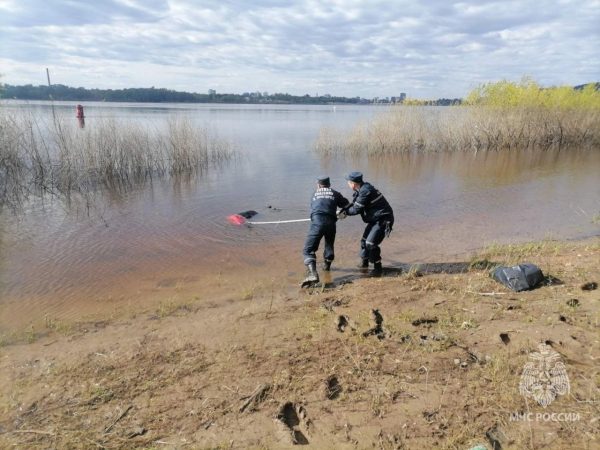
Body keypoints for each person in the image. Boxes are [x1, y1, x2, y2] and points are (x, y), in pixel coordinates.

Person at [340, 171, 394, 276]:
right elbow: (355, 204)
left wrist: (345, 213)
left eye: (348, 182)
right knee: (364, 241)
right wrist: (343, 210)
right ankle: (364, 264)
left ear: (353, 183)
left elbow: (356, 209)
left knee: (370, 243)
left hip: (383, 219)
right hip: (375, 219)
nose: (347, 184)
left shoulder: (365, 191)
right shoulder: (362, 189)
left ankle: (378, 269)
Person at [301, 176, 350, 287]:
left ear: (318, 185)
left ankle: (312, 273)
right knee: (329, 245)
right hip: (331, 223)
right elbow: (347, 205)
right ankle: (327, 268)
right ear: (329, 185)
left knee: (308, 250)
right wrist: (342, 213)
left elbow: (315, 207)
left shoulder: (314, 193)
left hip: (317, 223)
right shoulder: (335, 193)